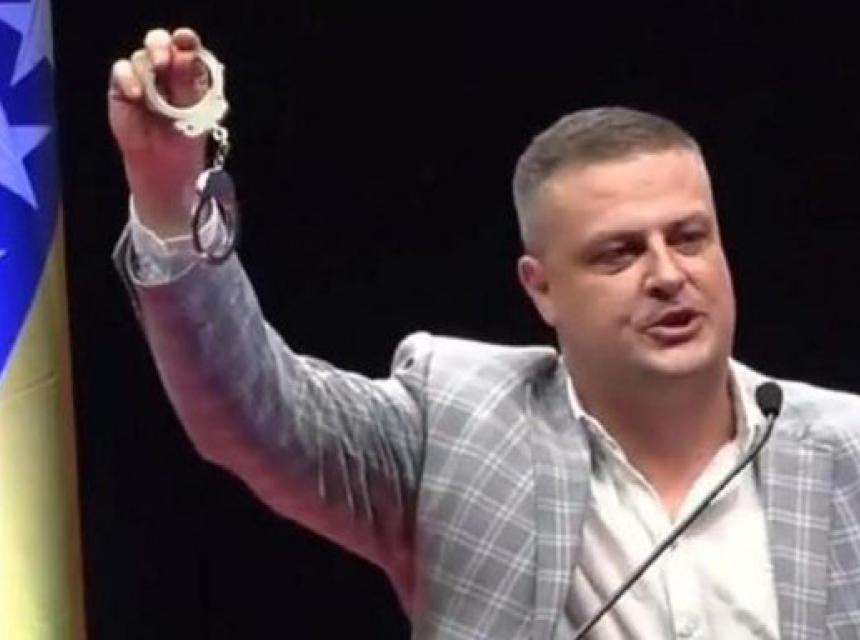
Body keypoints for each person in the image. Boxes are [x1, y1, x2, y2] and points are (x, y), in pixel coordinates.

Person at [108, 27, 860, 640]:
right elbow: (251, 413)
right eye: (620, 252)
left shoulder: (847, 452)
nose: (668, 274)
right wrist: (169, 197)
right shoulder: (460, 428)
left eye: (689, 237)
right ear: (541, 289)